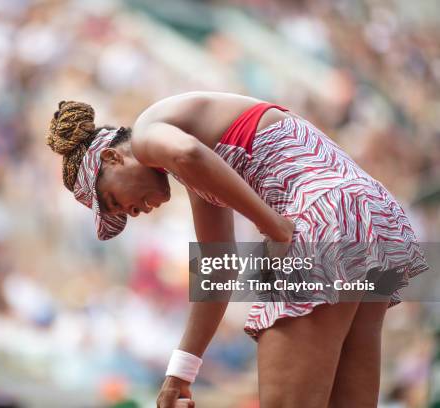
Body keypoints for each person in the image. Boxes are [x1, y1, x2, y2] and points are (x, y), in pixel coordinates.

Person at [46, 92, 428, 408]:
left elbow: (189, 155)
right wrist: (181, 371)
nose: (130, 212)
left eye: (113, 200)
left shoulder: (148, 135)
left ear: (113, 158)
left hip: (323, 215)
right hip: (373, 216)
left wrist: (271, 225)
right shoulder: (200, 170)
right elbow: (216, 270)